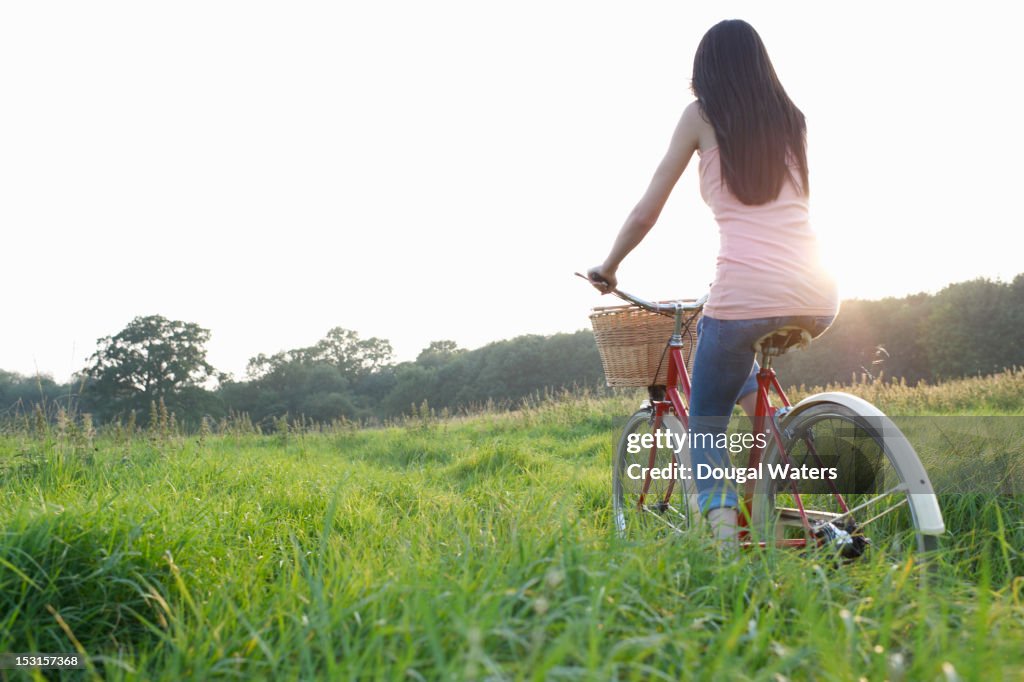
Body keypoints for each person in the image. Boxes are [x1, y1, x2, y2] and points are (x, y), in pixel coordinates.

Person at [587, 19, 839, 543]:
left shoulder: (702, 115)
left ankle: (727, 550)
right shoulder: (794, 119)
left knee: (703, 428)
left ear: (706, 71)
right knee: (738, 367)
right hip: (819, 294)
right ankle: (776, 459)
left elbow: (645, 211)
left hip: (745, 293)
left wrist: (608, 267)